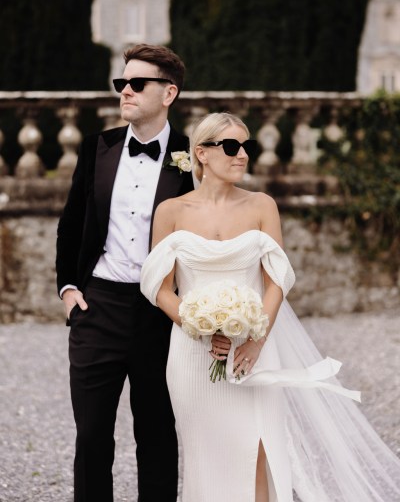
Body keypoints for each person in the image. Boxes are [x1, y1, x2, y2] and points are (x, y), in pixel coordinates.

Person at [140, 112, 400, 502]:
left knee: (258, 450)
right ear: (202, 154)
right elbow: (160, 288)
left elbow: (276, 279)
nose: (242, 155)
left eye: (248, 147)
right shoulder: (171, 212)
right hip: (193, 355)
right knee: (203, 455)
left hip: (254, 348)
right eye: (231, 146)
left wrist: (256, 340)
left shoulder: (262, 205)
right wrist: (200, 326)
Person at [55, 43, 194, 502]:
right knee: (92, 435)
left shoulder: (192, 155)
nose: (126, 91)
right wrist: (69, 289)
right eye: (123, 83)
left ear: (168, 92)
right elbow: (72, 222)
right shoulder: (99, 147)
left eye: (138, 83)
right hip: (98, 308)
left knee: (156, 434)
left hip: (160, 311)